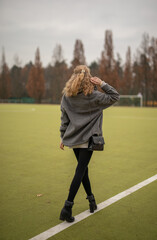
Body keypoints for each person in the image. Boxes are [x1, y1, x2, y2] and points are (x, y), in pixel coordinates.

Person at [59, 65, 120, 222]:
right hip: (87, 140)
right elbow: (115, 96)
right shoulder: (94, 96)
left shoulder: (67, 96)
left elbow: (64, 119)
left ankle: (91, 200)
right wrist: (102, 83)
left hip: (73, 139)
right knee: (80, 171)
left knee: (83, 170)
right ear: (89, 78)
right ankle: (67, 207)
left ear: (73, 77)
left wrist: (62, 137)